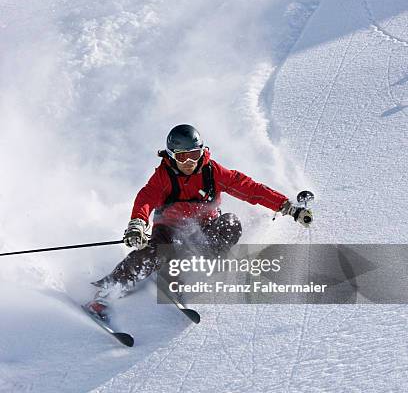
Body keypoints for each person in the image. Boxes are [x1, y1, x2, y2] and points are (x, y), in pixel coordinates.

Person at [85, 124, 313, 316]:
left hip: (203, 230)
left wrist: (287, 207)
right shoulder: (163, 176)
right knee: (153, 251)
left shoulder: (212, 171)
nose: (189, 162)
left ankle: (191, 269)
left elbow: (249, 189)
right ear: (172, 155)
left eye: (194, 154)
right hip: (169, 230)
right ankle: (108, 292)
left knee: (231, 223)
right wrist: (137, 224)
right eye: (183, 156)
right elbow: (146, 198)